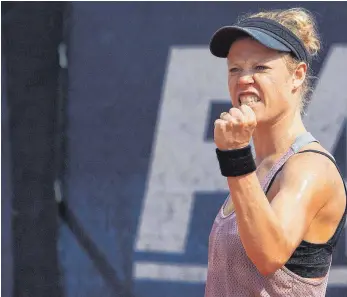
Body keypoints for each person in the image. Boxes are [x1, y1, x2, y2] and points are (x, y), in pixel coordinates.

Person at [205, 7, 346, 297]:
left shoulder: (310, 168)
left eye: (260, 68)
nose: (244, 79)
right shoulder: (255, 169)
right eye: (235, 69)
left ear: (297, 76)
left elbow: (269, 254)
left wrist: (235, 157)